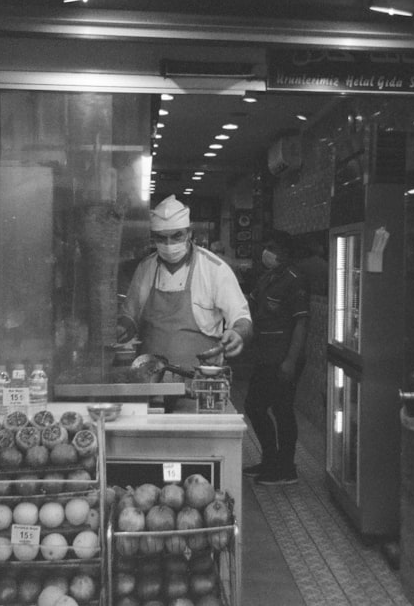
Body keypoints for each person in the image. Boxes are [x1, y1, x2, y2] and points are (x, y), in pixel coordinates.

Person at [117, 195, 252, 375]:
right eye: (161, 238)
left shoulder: (214, 269)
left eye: (176, 236)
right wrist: (122, 328)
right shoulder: (145, 268)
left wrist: (238, 333)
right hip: (149, 380)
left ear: (189, 233)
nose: (169, 244)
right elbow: (130, 315)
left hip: (199, 382)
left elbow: (241, 318)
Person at [243, 230, 310, 485]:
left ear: (284, 252)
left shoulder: (295, 280)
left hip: (283, 358)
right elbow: (250, 305)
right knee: (255, 406)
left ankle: (286, 468)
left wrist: (290, 361)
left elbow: (301, 323)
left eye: (271, 246)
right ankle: (270, 460)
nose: (266, 252)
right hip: (264, 356)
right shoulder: (267, 278)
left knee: (282, 410)